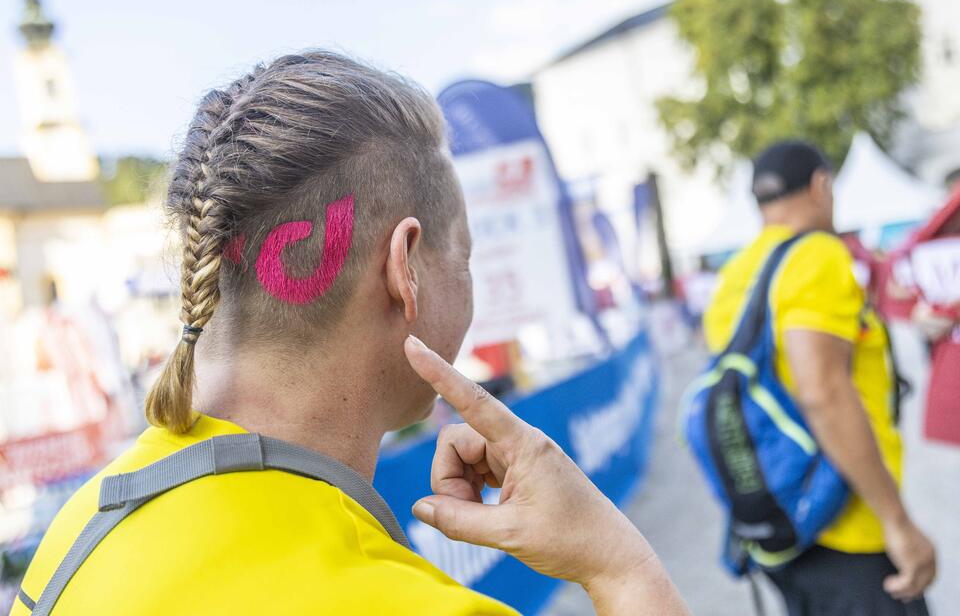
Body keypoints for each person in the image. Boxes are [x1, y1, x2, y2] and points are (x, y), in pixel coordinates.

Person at [12, 51, 688, 615]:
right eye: (465, 254)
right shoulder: (402, 603)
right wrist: (618, 564)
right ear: (406, 268)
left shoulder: (77, 534)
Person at [702, 140, 936, 615]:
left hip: (786, 524)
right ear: (820, 185)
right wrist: (896, 521)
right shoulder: (816, 256)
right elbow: (822, 391)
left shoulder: (735, 275)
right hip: (848, 531)